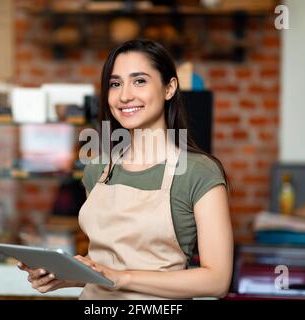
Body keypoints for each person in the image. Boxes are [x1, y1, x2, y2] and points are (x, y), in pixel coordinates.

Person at [18, 39, 233, 299]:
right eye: (115, 83)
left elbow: (217, 280)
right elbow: (108, 264)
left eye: (139, 81)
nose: (124, 95)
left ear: (169, 88)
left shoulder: (198, 172)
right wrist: (66, 274)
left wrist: (121, 278)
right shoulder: (97, 169)